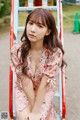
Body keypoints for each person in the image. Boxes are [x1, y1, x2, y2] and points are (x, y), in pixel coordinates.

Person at [11, 8, 66, 120]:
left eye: (40, 26)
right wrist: (33, 109)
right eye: (30, 23)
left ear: (48, 31)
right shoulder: (17, 50)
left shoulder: (54, 53)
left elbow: (45, 84)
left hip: (45, 88)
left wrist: (36, 111)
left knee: (40, 116)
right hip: (24, 89)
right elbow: (25, 82)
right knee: (24, 117)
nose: (32, 29)